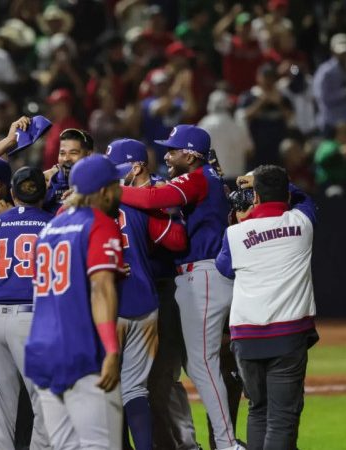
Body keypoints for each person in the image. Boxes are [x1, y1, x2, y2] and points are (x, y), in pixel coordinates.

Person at [118, 125, 243, 450]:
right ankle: (224, 441)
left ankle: (227, 444)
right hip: (205, 275)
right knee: (203, 364)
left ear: (190, 155)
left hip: (203, 274)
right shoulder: (208, 177)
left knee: (203, 364)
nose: (167, 156)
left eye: (173, 150)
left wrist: (108, 190)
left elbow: (153, 197)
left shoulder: (199, 177)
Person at [25, 154, 125, 449]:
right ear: (104, 191)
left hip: (42, 351)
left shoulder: (49, 229)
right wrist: (111, 348)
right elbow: (101, 288)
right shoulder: (99, 223)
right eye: (117, 185)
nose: (120, 191)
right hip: (82, 350)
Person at [216, 165, 318, 450]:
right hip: (287, 336)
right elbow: (306, 199)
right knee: (282, 418)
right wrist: (269, 183)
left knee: (258, 410)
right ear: (286, 194)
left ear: (256, 197)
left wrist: (245, 220)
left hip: (246, 338)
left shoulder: (235, 234)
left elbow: (224, 268)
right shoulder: (302, 223)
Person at [107, 139, 188, 450]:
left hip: (126, 299)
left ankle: (181, 444)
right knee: (135, 387)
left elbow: (177, 241)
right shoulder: (139, 203)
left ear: (137, 167)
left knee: (159, 380)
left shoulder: (92, 203)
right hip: (143, 297)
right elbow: (174, 239)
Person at [0, 167, 54, 450]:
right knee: (47, 405)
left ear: (12, 192)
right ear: (44, 192)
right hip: (32, 320)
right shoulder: (54, 224)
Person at [236, 63, 293, 168]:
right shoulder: (249, 96)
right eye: (266, 77)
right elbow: (242, 117)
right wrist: (261, 102)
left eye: (271, 78)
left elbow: (290, 118)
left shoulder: (282, 97)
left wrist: (278, 103)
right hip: (257, 151)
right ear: (259, 77)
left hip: (278, 151)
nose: (268, 81)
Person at [312, 33, 346, 135]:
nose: (343, 55)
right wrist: (345, 92)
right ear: (333, 51)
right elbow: (322, 98)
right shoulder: (325, 72)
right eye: (340, 52)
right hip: (332, 124)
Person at [199, 90, 253, 179]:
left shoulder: (204, 124)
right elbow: (249, 151)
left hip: (214, 177)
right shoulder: (237, 124)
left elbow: (199, 152)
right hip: (237, 175)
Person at [43, 128, 93, 213]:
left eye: (73, 153)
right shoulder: (46, 182)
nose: (66, 158)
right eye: (62, 153)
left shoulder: (99, 186)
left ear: (89, 155)